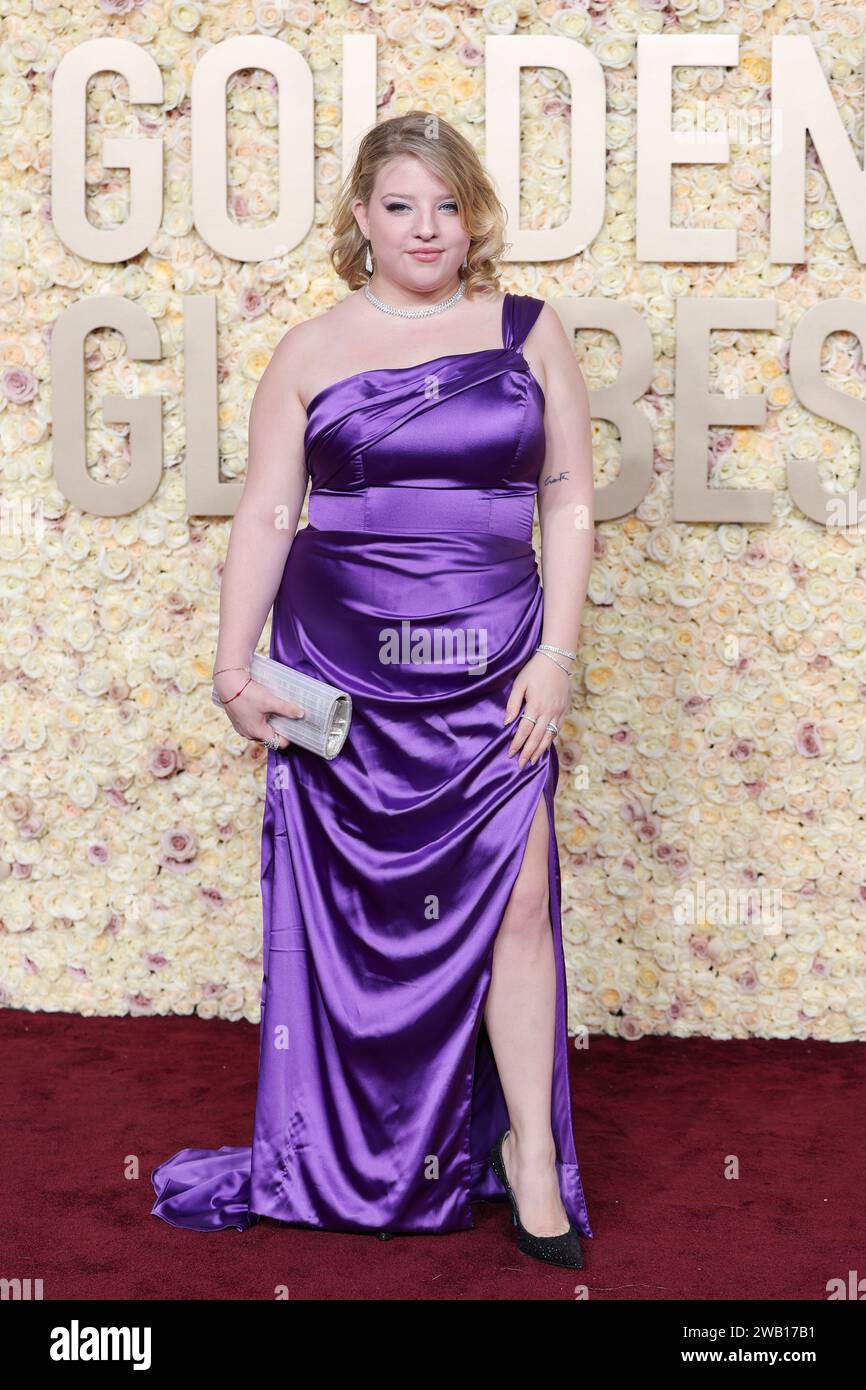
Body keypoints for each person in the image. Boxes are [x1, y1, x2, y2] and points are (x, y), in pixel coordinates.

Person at [151, 110, 596, 1270]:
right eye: (401, 204)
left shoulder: (530, 331)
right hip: (343, 666)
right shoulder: (308, 348)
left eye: (447, 204)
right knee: (351, 921)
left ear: (473, 213)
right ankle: (346, 1149)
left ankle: (529, 1163)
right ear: (359, 217)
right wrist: (230, 667)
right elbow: (264, 513)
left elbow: (569, 503)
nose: (426, 227)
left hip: (497, 662)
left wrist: (554, 655)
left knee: (515, 902)